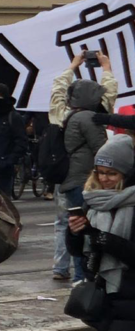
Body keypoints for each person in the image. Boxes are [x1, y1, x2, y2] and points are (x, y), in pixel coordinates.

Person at [51, 51, 116, 284]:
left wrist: (72, 66)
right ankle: (83, 277)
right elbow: (103, 149)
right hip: (85, 180)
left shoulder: (61, 115)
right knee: (86, 228)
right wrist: (106, 68)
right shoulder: (92, 117)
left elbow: (57, 92)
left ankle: (61, 266)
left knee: (66, 225)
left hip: (65, 179)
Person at [67, 134, 135, 331]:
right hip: (103, 295)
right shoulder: (93, 200)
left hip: (129, 293)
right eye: (100, 172)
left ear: (127, 173)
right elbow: (78, 251)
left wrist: (104, 239)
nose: (104, 178)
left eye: (112, 173)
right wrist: (76, 232)